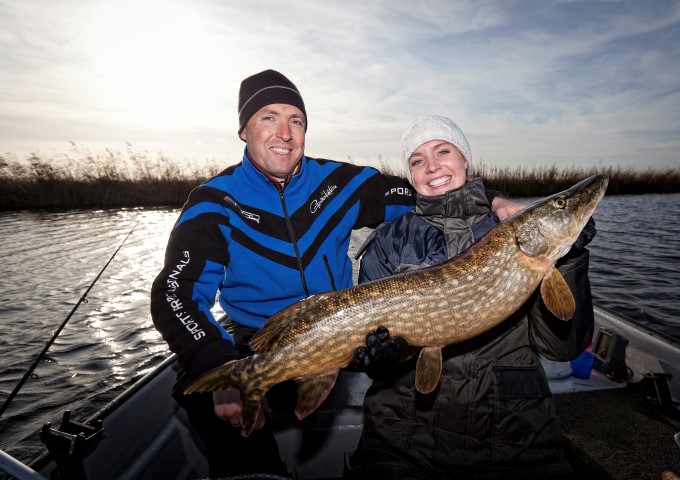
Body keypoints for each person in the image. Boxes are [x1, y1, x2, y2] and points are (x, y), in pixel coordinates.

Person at [150, 72, 520, 478]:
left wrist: (494, 200)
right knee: (202, 391)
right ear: (244, 129)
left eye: (296, 121)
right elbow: (175, 293)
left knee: (403, 357)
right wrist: (214, 364)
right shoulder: (212, 202)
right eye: (269, 118)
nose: (285, 133)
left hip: (349, 334)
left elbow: (428, 187)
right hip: (260, 338)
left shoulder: (340, 183)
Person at [346, 115, 596, 480]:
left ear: (465, 159)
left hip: (514, 438)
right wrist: (380, 359)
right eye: (417, 160)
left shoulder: (511, 225)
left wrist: (569, 258)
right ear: (410, 175)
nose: (432, 167)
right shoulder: (388, 242)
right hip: (404, 440)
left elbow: (564, 348)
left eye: (443, 151)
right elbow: (373, 355)